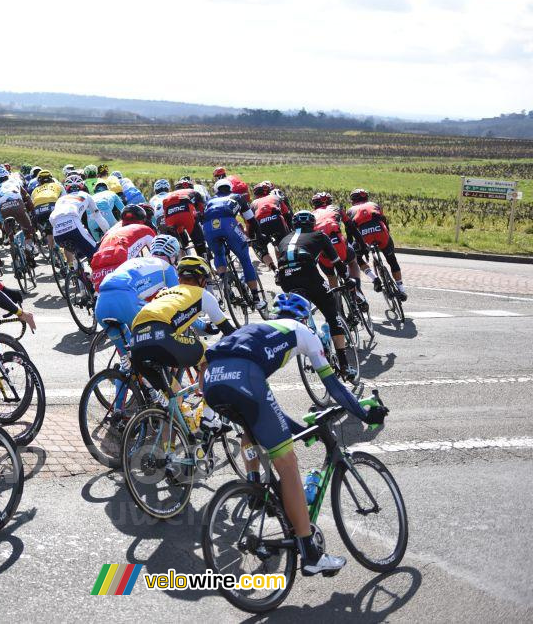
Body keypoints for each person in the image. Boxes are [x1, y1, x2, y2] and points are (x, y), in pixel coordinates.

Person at [202, 292, 387, 576]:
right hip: (245, 377)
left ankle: (253, 485)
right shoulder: (303, 331)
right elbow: (335, 389)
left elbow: (266, 409)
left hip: (212, 379)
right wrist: (364, 413)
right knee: (288, 465)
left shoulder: (256, 330)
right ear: (304, 318)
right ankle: (310, 553)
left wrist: (300, 429)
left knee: (250, 427)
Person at [127, 255, 236, 391]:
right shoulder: (201, 294)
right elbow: (229, 331)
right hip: (162, 337)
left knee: (175, 398)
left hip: (136, 341)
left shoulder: (164, 293)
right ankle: (208, 413)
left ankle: (161, 412)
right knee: (210, 357)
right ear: (201, 279)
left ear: (180, 278)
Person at [274, 211, 356, 380]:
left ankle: (308, 331)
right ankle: (345, 366)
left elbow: (280, 261)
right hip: (308, 273)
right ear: (313, 225)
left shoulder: (284, 239)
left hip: (285, 277)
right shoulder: (320, 235)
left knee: (303, 306)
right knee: (332, 315)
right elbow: (337, 264)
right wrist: (348, 280)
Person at [94, 234, 181, 352]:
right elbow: (180, 303)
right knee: (159, 335)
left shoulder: (138, 261)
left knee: (129, 354)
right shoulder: (168, 269)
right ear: (173, 256)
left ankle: (125, 366)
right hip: (126, 302)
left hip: (101, 305)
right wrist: (203, 325)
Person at [201, 179, 267, 310]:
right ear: (231, 189)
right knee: (245, 259)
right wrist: (259, 236)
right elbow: (251, 220)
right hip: (228, 225)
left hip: (208, 228)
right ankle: (256, 298)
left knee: (218, 253)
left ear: (216, 191)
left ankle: (227, 287)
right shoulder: (237, 197)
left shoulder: (209, 201)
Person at [347, 189, 406, 301]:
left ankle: (374, 278)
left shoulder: (350, 210)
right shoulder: (374, 205)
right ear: (366, 198)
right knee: (392, 260)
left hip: (364, 236)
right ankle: (401, 289)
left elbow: (351, 231)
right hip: (381, 233)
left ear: (353, 200)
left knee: (356, 259)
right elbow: (383, 220)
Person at [49, 176, 111, 263]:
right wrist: (108, 233)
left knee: (72, 249)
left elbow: (53, 219)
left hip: (57, 232)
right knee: (95, 254)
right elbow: (98, 217)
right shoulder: (86, 195)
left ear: (67, 188)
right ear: (82, 186)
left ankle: (73, 269)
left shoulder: (60, 199)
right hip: (74, 224)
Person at [89, 217, 156, 289]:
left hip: (98, 273)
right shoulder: (144, 229)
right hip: (119, 266)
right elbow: (159, 257)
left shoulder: (111, 231)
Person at [249, 181, 292, 272]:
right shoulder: (276, 197)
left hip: (262, 225)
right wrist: (290, 231)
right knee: (283, 243)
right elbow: (287, 214)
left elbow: (250, 223)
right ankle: (287, 265)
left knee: (260, 248)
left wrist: (252, 238)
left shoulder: (253, 203)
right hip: (277, 222)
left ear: (256, 194)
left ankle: (274, 269)